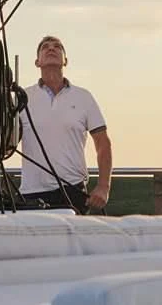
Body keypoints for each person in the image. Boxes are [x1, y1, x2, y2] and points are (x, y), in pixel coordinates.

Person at [17, 35, 112, 214]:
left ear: (65, 60)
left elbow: (102, 143)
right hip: (32, 194)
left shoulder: (84, 97)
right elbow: (6, 143)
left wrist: (103, 187)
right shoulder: (22, 98)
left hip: (73, 192)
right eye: (45, 47)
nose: (51, 48)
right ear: (37, 62)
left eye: (57, 47)